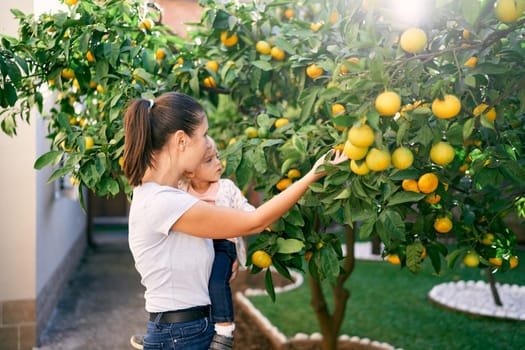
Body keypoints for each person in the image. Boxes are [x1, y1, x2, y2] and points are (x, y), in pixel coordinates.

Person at [123, 91, 347, 350]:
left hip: (184, 330)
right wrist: (312, 175)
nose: (208, 143)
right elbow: (255, 221)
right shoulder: (163, 202)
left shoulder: (167, 196)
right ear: (181, 140)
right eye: (204, 134)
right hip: (180, 335)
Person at [130, 136, 254, 350]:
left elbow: (245, 209)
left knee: (216, 283)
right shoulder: (180, 189)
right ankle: (162, 331)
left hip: (223, 245)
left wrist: (262, 218)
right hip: (200, 243)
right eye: (209, 160)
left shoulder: (226, 187)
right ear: (190, 170)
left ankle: (224, 332)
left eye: (217, 157)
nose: (219, 163)